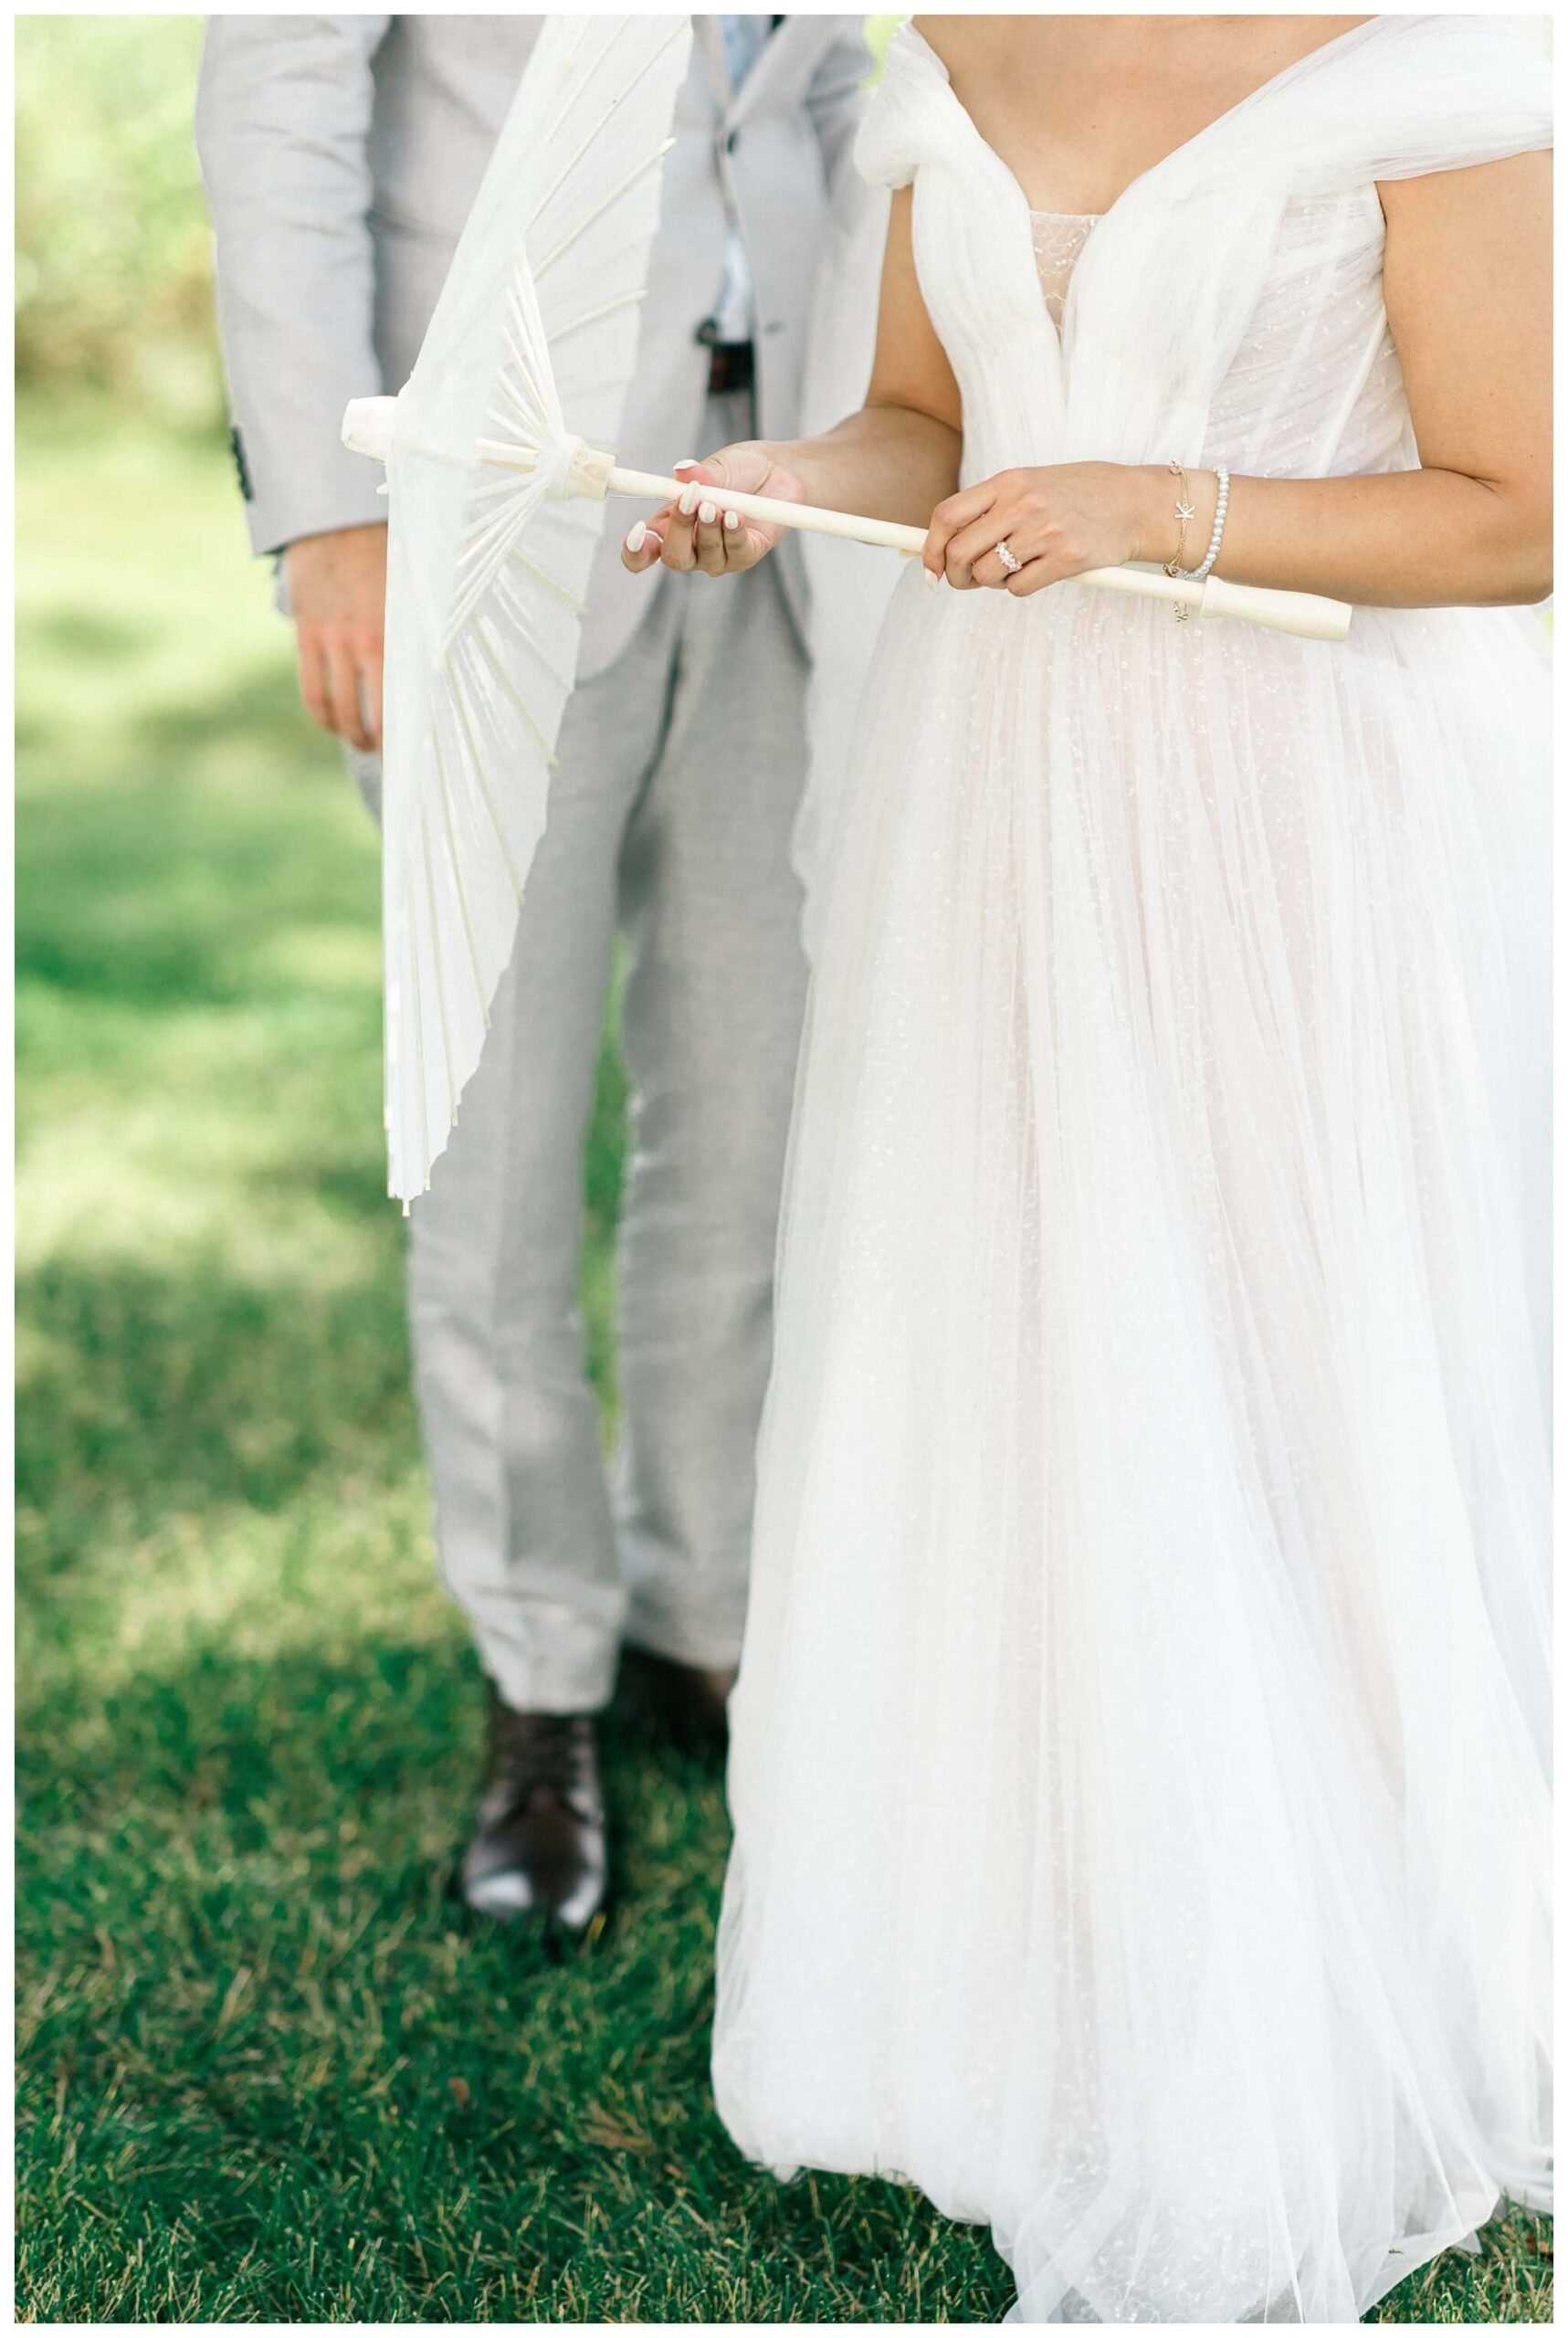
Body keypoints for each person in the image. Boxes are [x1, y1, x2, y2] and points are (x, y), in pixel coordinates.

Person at [622, 13, 1552, 2321]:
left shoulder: (1442, 62)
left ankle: (1377, 1963)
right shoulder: (932, 42)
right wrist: (786, 479)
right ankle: (1044, 1967)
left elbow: (1517, 511)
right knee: (1032, 1349)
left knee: (1295, 1362)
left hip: (1302, 814)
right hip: (1003, 796)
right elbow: (927, 425)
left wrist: (1155, 502)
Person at [196, 14, 873, 1939]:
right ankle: (540, 1686)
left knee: (741, 1127)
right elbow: (278, 102)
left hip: (783, 525)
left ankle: (699, 1621)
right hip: (483, 527)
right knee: (492, 1162)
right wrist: (329, 517)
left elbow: (817, 91)